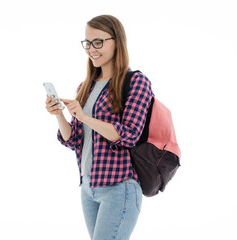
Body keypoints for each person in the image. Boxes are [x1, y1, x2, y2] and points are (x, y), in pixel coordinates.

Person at [45, 15, 153, 240]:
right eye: (87, 42)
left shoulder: (136, 82)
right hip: (88, 188)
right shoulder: (85, 86)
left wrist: (84, 117)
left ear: (117, 42)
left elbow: (129, 135)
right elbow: (74, 140)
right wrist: (60, 116)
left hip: (119, 187)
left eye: (98, 42)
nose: (91, 49)